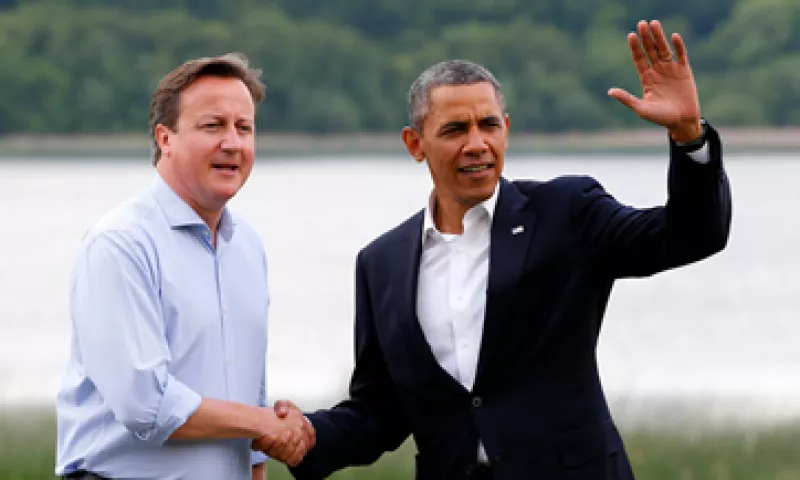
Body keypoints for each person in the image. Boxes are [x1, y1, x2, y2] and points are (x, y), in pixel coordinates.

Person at [282, 20, 732, 480]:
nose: (477, 144)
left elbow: (691, 235)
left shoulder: (566, 213)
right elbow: (379, 411)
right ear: (415, 144)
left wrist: (688, 136)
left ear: (507, 130)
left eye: (488, 125)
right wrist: (306, 434)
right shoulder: (381, 263)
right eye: (456, 129)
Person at [55, 53, 314, 480]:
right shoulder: (121, 243)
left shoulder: (247, 246)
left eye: (244, 128)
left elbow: (249, 389)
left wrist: (260, 446)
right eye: (213, 126)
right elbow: (146, 404)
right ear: (165, 138)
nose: (232, 143)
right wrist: (263, 422)